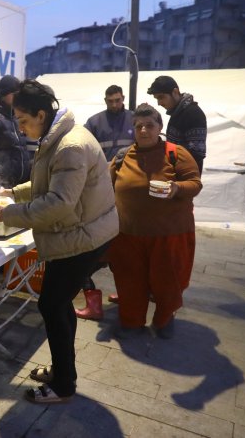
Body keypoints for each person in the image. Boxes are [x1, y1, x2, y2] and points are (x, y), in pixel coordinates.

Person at [0, 80, 118, 404]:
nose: (21, 128)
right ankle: (63, 372)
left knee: (51, 304)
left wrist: (10, 214)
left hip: (83, 238)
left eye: (23, 120)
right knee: (57, 304)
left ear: (41, 113)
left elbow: (59, 203)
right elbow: (46, 180)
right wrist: (14, 193)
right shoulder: (59, 137)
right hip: (82, 231)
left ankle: (63, 384)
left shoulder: (70, 145)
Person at [106, 103, 202, 340]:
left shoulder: (175, 153)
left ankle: (164, 318)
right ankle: (131, 321)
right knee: (129, 282)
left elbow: (195, 183)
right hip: (127, 234)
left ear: (160, 127)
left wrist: (176, 188)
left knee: (168, 282)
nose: (144, 130)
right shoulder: (122, 157)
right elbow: (104, 186)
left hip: (169, 234)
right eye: (139, 126)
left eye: (150, 125)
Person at [76, 84, 134, 319]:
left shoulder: (134, 120)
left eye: (118, 100)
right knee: (97, 249)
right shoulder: (94, 122)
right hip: (100, 187)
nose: (114, 105)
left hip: (128, 189)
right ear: (105, 100)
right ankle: (94, 301)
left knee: (123, 248)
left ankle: (126, 293)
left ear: (123, 99)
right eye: (110, 101)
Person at [147, 76, 207, 173]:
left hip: (187, 178)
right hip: (176, 175)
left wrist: (164, 156)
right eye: (157, 99)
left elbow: (196, 153)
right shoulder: (178, 112)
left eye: (161, 97)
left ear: (175, 92)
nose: (159, 103)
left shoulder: (193, 113)